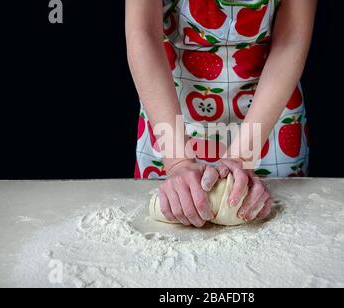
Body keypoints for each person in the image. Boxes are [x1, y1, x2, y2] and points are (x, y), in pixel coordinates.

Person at [126, 0, 317, 227]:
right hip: (172, 113)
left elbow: (291, 39)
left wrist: (242, 157)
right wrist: (178, 161)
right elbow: (143, 32)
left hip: (269, 114)